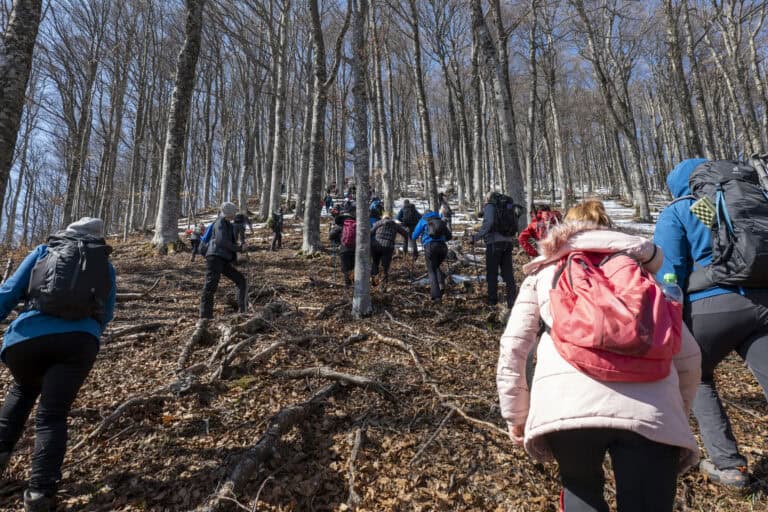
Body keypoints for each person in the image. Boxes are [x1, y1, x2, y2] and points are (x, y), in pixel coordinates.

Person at [498, 200, 701, 512]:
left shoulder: (545, 272)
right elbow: (688, 355)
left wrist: (516, 415)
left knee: (581, 491)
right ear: (609, 228)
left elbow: (514, 347)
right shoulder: (643, 276)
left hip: (568, 407)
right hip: (652, 407)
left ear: (565, 228)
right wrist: (677, 412)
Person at [654, 158, 768, 488]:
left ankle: (729, 465)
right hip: (763, 302)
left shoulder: (684, 208)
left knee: (697, 374)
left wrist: (669, 318)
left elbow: (669, 270)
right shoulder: (749, 200)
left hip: (712, 308)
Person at [0, 217, 117, 512]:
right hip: (79, 342)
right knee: (52, 416)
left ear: (68, 231)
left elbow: (9, 292)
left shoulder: (44, 251)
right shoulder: (105, 264)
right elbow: (107, 311)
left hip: (26, 339)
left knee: (22, 391)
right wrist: (87, 333)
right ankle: (40, 493)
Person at [200, 202, 248, 320]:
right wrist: (239, 248)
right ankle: (205, 317)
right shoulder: (220, 222)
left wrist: (238, 249)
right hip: (215, 258)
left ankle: (242, 311)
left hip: (222, 259)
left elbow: (226, 242)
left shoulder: (227, 223)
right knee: (210, 286)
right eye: (233, 211)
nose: (235, 214)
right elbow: (221, 241)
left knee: (241, 280)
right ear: (228, 212)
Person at [471, 192, 519, 308]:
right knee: (508, 273)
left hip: (494, 244)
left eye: (485, 198)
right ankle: (512, 301)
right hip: (507, 242)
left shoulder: (490, 206)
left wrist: (476, 237)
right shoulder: (507, 207)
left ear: (488, 198)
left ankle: (492, 301)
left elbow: (489, 223)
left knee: (492, 273)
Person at [412, 210, 451, 302]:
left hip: (430, 247)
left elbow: (414, 236)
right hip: (443, 248)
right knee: (435, 266)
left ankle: (436, 296)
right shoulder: (440, 220)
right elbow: (449, 236)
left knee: (431, 270)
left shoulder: (423, 220)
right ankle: (441, 284)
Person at [371, 214, 409, 288]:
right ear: (390, 218)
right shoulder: (395, 225)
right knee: (385, 267)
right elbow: (405, 234)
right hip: (388, 246)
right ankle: (383, 286)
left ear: (383, 217)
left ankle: (374, 284)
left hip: (375, 246)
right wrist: (405, 246)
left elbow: (370, 233)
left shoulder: (378, 223)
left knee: (375, 264)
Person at [330, 210, 356, 287]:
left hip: (344, 249)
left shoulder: (340, 226)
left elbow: (331, 236)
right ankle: (354, 283)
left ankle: (348, 285)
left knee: (346, 268)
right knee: (353, 267)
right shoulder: (356, 225)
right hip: (356, 249)